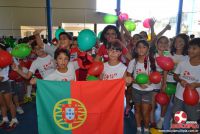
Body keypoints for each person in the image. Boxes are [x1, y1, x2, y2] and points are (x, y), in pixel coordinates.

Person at [127, 39, 156, 134]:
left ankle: (147, 128)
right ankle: (139, 128)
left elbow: (156, 77)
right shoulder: (133, 62)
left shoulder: (152, 61)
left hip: (148, 90)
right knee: (137, 109)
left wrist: (149, 82)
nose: (141, 49)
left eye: (144, 47)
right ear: (135, 49)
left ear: (148, 49)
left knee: (146, 111)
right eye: (139, 47)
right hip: (136, 89)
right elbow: (129, 78)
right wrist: (138, 82)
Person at [173, 38, 200, 123]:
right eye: (189, 48)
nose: (190, 50)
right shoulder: (183, 63)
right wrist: (180, 80)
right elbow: (175, 75)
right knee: (176, 118)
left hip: (195, 99)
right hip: (179, 97)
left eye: (194, 48)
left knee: (192, 121)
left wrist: (197, 85)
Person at [0, 45, 18, 130]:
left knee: (9, 103)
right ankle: (5, 118)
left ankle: (14, 119)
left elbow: (2, 77)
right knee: (2, 104)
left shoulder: (5, 59)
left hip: (4, 83)